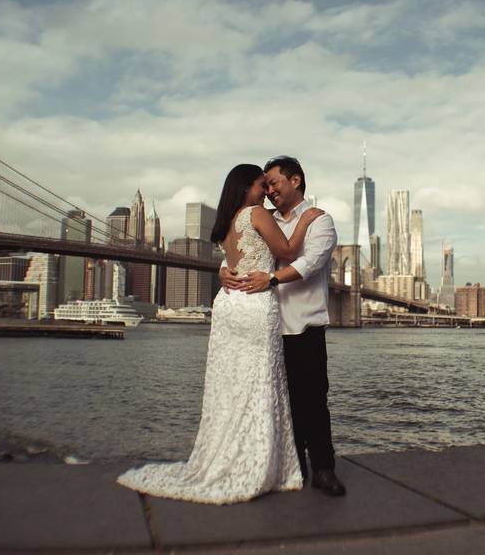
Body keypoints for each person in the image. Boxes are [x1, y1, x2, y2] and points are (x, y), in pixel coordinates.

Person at [117, 163, 322, 504]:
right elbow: (286, 252)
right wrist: (306, 218)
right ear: (246, 188)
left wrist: (223, 269)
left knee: (228, 386)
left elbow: (231, 260)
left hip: (228, 306)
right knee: (259, 383)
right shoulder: (256, 213)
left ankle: (227, 457)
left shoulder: (226, 221)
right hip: (256, 306)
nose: (266, 192)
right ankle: (259, 465)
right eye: (261, 185)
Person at [221, 156, 346, 497]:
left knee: (314, 400)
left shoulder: (320, 221)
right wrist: (223, 268)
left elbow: (310, 262)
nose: (270, 190)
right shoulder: (262, 217)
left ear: (296, 180)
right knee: (281, 404)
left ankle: (323, 469)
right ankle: (292, 468)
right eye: (267, 185)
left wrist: (271, 278)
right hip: (268, 328)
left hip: (305, 326)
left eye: (275, 183)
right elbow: (244, 251)